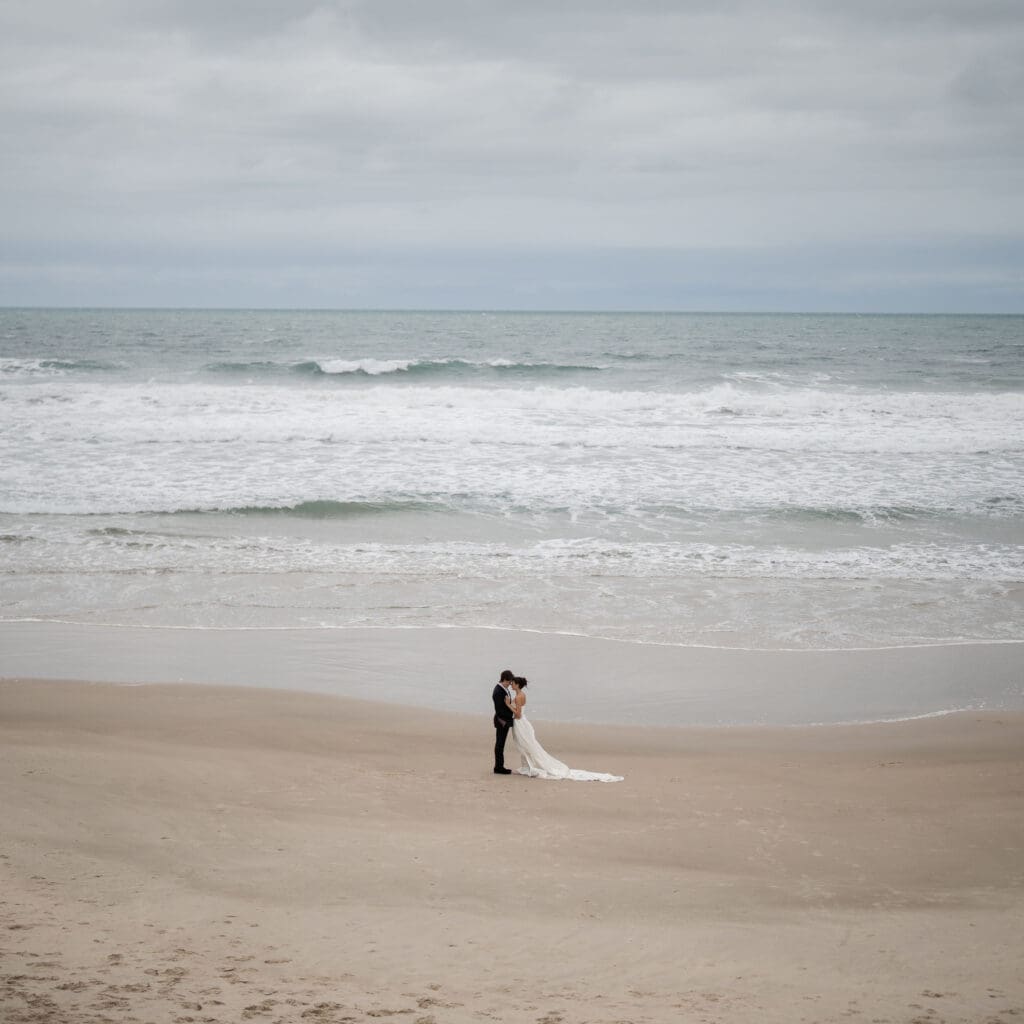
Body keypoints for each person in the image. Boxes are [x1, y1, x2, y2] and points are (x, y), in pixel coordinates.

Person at [507, 676, 623, 782]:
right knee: (526, 746)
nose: (511, 685)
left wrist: (508, 705)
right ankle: (527, 767)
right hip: (522, 723)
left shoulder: (518, 697)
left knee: (527, 746)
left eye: (513, 684)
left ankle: (530, 768)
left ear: (517, 685)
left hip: (520, 723)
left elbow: (518, 715)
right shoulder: (521, 695)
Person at [491, 668, 516, 774]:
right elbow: (499, 710)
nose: (510, 684)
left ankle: (499, 766)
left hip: (504, 720)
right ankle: (498, 767)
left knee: (501, 743)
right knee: (500, 744)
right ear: (504, 680)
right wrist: (509, 719)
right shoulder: (498, 691)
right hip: (502, 721)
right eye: (509, 682)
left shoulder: (504, 689)